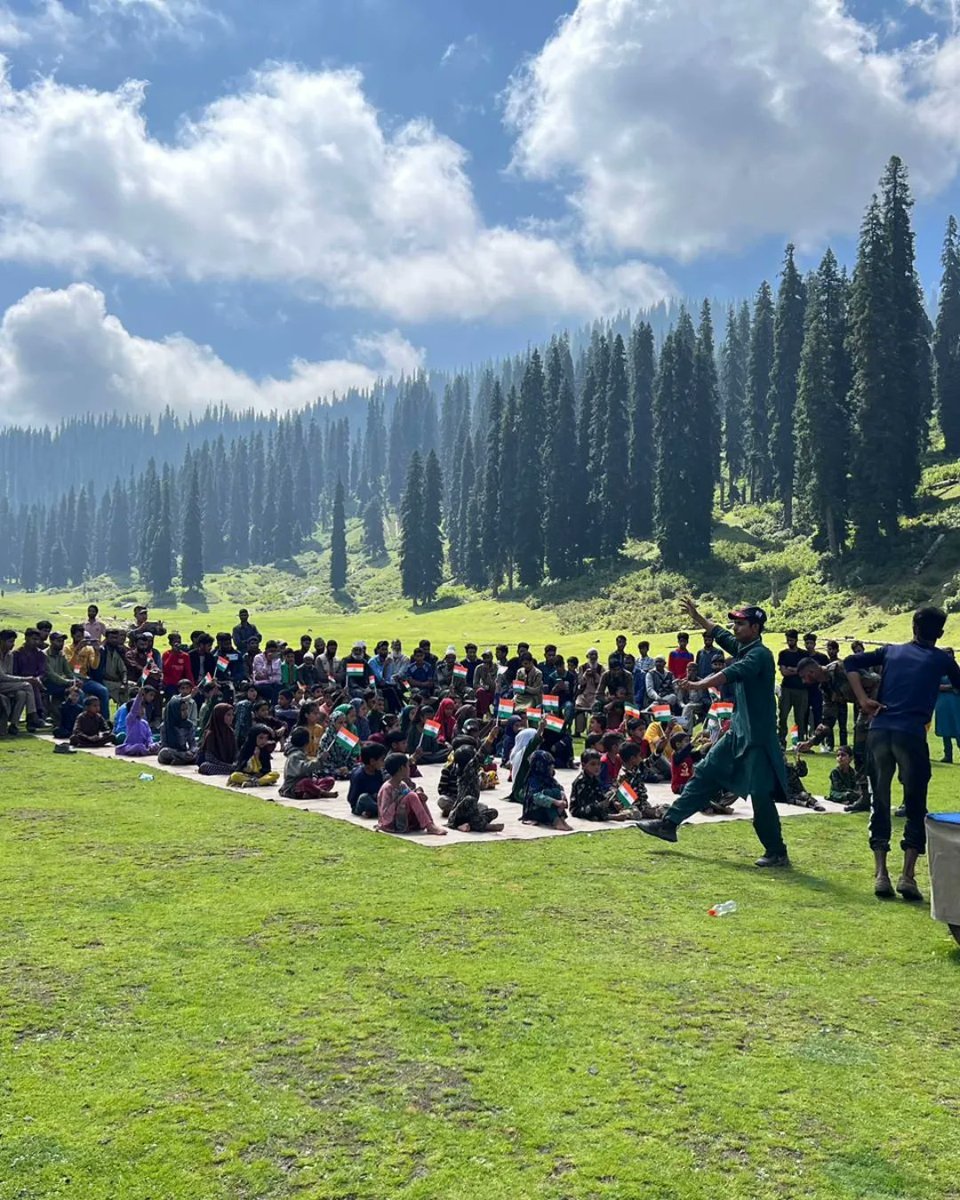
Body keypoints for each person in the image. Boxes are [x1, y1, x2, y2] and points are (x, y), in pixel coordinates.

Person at [635, 598, 791, 868]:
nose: (735, 628)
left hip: (758, 739)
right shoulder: (744, 646)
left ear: (755, 627)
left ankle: (777, 851)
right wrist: (696, 616)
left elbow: (728, 674)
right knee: (706, 771)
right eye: (735, 623)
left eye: (740, 624)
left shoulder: (759, 655)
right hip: (737, 733)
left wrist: (697, 683)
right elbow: (717, 631)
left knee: (761, 795)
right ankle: (669, 824)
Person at [845, 607, 960, 901]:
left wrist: (863, 699)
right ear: (941, 633)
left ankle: (881, 874)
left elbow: (851, 661)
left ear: (913, 626)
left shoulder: (891, 652)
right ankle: (907, 876)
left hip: (880, 729)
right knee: (915, 802)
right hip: (911, 732)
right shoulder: (942, 659)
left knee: (879, 799)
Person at [377, 752, 446, 835]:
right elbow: (385, 813)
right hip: (390, 823)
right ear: (401, 769)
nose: (409, 769)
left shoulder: (402, 784)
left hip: (402, 818)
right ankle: (429, 826)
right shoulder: (387, 787)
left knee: (416, 795)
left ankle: (430, 823)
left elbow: (409, 796)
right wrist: (402, 800)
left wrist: (419, 795)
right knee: (412, 796)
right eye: (407, 766)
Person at [570, 749, 634, 822]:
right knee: (593, 811)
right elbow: (584, 804)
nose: (597, 767)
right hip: (581, 808)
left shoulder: (595, 779)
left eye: (598, 764)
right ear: (584, 765)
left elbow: (600, 795)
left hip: (597, 803)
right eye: (593, 764)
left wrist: (611, 803)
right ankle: (610, 817)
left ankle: (622, 811)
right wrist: (600, 805)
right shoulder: (581, 782)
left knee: (617, 799)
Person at [279, 727, 337, 799]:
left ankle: (313, 792)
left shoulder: (302, 753)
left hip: (308, 783)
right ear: (307, 742)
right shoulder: (294, 756)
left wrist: (314, 777)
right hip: (293, 787)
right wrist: (319, 760)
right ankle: (322, 793)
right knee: (305, 782)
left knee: (329, 780)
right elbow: (303, 769)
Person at [520, 749, 571, 830]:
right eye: (549, 765)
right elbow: (535, 797)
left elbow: (559, 787)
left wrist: (562, 795)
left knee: (556, 791)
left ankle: (560, 819)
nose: (552, 767)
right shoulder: (533, 781)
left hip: (554, 810)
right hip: (535, 811)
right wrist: (555, 802)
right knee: (547, 793)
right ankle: (556, 821)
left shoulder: (549, 779)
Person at [777, 630, 808, 746]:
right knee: (783, 715)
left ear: (796, 640)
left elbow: (805, 671)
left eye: (791, 640)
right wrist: (797, 670)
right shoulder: (783, 654)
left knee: (800, 717)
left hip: (801, 689)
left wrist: (793, 669)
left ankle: (800, 742)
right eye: (788, 640)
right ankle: (781, 740)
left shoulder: (803, 654)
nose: (789, 642)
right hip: (786, 689)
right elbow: (784, 672)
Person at [347, 742, 387, 818]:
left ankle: (376, 811)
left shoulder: (378, 772)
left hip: (376, 799)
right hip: (360, 804)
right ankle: (383, 811)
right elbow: (352, 799)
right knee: (364, 798)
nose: (383, 763)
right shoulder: (359, 776)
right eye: (382, 760)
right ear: (372, 761)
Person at [116, 686, 159, 757]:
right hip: (131, 745)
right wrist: (139, 696)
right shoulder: (130, 720)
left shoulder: (145, 723)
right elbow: (134, 709)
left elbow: (149, 736)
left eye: (143, 708)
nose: (142, 711)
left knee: (156, 745)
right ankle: (147, 752)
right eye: (140, 709)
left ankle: (148, 750)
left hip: (144, 745)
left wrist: (150, 744)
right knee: (138, 747)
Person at [197, 703, 238, 775]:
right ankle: (231, 770)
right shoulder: (211, 734)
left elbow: (235, 753)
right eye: (228, 715)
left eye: (232, 715)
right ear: (220, 716)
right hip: (215, 764)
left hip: (228, 764)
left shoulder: (231, 732)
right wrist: (228, 766)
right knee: (205, 766)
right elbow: (210, 758)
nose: (231, 717)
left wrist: (236, 763)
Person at [935, 648, 960, 763]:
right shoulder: (938, 670)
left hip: (955, 702)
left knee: (957, 727)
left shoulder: (956, 670)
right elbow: (935, 685)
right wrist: (950, 688)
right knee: (945, 729)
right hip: (942, 703)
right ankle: (948, 755)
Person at [157, 696, 198, 765]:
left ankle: (181, 760)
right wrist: (181, 754)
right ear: (175, 711)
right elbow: (164, 745)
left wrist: (191, 751)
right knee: (163, 752)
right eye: (182, 710)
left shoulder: (189, 724)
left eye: (186, 709)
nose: (185, 712)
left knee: (199, 751)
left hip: (186, 751)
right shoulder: (165, 726)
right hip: (173, 752)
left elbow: (192, 743)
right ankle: (184, 760)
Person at [162, 632, 195, 699]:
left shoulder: (185, 656)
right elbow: (166, 669)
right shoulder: (166, 654)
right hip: (169, 684)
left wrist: (192, 684)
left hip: (181, 684)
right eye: (175, 642)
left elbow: (188, 671)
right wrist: (173, 654)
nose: (178, 644)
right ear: (170, 643)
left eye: (179, 642)